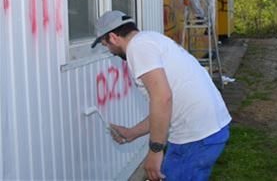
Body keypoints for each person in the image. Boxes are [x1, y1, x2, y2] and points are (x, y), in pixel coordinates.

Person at [91, 10, 231, 181]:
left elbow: (162, 99)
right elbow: (163, 107)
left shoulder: (137, 48)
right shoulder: (149, 40)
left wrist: (155, 151)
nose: (110, 51)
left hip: (198, 136)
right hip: (203, 130)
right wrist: (131, 132)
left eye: (106, 45)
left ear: (113, 37)